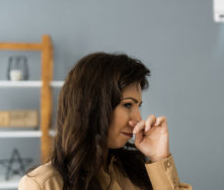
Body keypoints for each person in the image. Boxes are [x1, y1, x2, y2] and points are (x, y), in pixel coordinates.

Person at [18, 52, 192, 190]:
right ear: (93, 106)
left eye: (138, 105)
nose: (138, 119)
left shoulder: (136, 173)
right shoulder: (42, 185)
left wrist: (159, 158)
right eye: (128, 105)